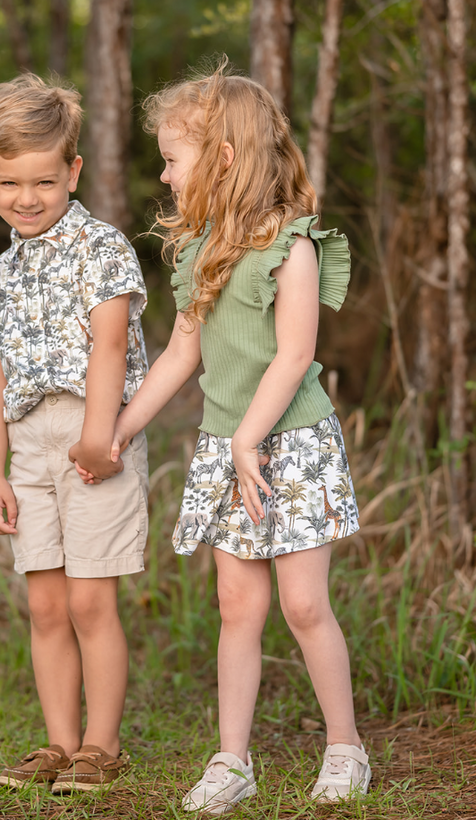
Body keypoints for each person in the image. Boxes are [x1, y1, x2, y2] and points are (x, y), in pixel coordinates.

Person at [77, 60, 370, 814]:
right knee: (237, 607)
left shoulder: (293, 246)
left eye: (174, 159)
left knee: (304, 606)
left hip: (291, 445)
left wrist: (249, 440)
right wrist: (117, 430)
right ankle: (231, 759)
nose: (167, 177)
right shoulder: (201, 249)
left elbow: (296, 353)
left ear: (224, 159)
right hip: (227, 445)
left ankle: (345, 746)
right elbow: (182, 353)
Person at [0, 73, 149, 794]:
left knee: (87, 600)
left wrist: (99, 438)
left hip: (90, 435)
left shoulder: (101, 247)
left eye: (45, 180)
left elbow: (109, 347)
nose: (28, 197)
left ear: (72, 171)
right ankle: (58, 741)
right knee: (45, 602)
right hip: (28, 446)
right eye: (11, 181)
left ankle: (100, 747)